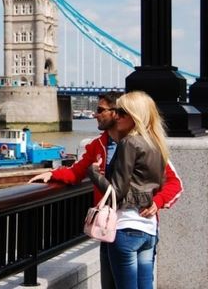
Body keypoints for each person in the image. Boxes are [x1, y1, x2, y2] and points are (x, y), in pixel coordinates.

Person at [29, 91, 183, 289]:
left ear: (117, 113)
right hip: (111, 227)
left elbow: (174, 183)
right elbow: (77, 171)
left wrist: (158, 202)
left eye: (101, 110)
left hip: (126, 227)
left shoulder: (136, 144)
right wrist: (53, 174)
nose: (96, 114)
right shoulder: (98, 145)